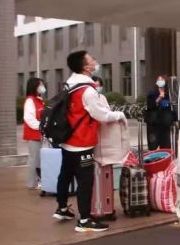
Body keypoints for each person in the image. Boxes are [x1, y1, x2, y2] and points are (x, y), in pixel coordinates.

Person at [54, 50, 126, 232]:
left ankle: (62, 208)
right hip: (82, 143)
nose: (95, 61)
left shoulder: (69, 85)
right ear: (85, 67)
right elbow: (99, 114)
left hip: (68, 140)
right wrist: (119, 115)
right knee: (85, 182)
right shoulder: (86, 90)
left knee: (65, 174)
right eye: (91, 59)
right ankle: (84, 220)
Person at [23, 77, 46, 190]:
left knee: (39, 160)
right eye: (40, 85)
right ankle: (32, 183)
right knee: (34, 159)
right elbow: (29, 118)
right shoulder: (30, 100)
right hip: (33, 135)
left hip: (40, 134)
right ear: (34, 86)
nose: (42, 87)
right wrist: (41, 126)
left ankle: (39, 180)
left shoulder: (39, 100)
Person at [146, 76, 176, 150]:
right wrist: (159, 98)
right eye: (159, 80)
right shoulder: (152, 94)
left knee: (166, 147)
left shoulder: (168, 95)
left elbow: (171, 108)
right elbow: (150, 106)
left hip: (165, 126)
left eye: (162, 80)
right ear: (156, 82)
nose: (160, 81)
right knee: (153, 147)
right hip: (154, 126)